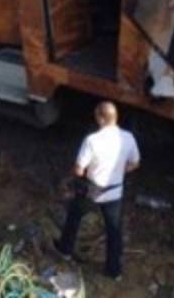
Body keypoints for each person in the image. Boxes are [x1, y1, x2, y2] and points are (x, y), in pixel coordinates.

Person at [55, 101, 141, 281]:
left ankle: (65, 250)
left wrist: (78, 176)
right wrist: (120, 171)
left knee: (74, 216)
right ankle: (114, 271)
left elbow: (79, 169)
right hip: (115, 192)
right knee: (113, 231)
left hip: (91, 190)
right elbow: (135, 163)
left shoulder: (92, 140)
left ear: (101, 119)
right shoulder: (128, 138)